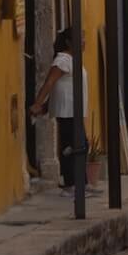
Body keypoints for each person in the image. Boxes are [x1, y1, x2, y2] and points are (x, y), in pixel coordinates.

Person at [28, 28, 95, 195]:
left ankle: (80, 182)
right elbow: (50, 83)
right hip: (67, 111)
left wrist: (45, 106)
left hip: (75, 110)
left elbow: (61, 87)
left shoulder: (73, 60)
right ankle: (71, 183)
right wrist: (38, 103)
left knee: (79, 145)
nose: (83, 42)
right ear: (69, 42)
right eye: (80, 39)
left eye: (84, 39)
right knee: (72, 146)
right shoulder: (63, 60)